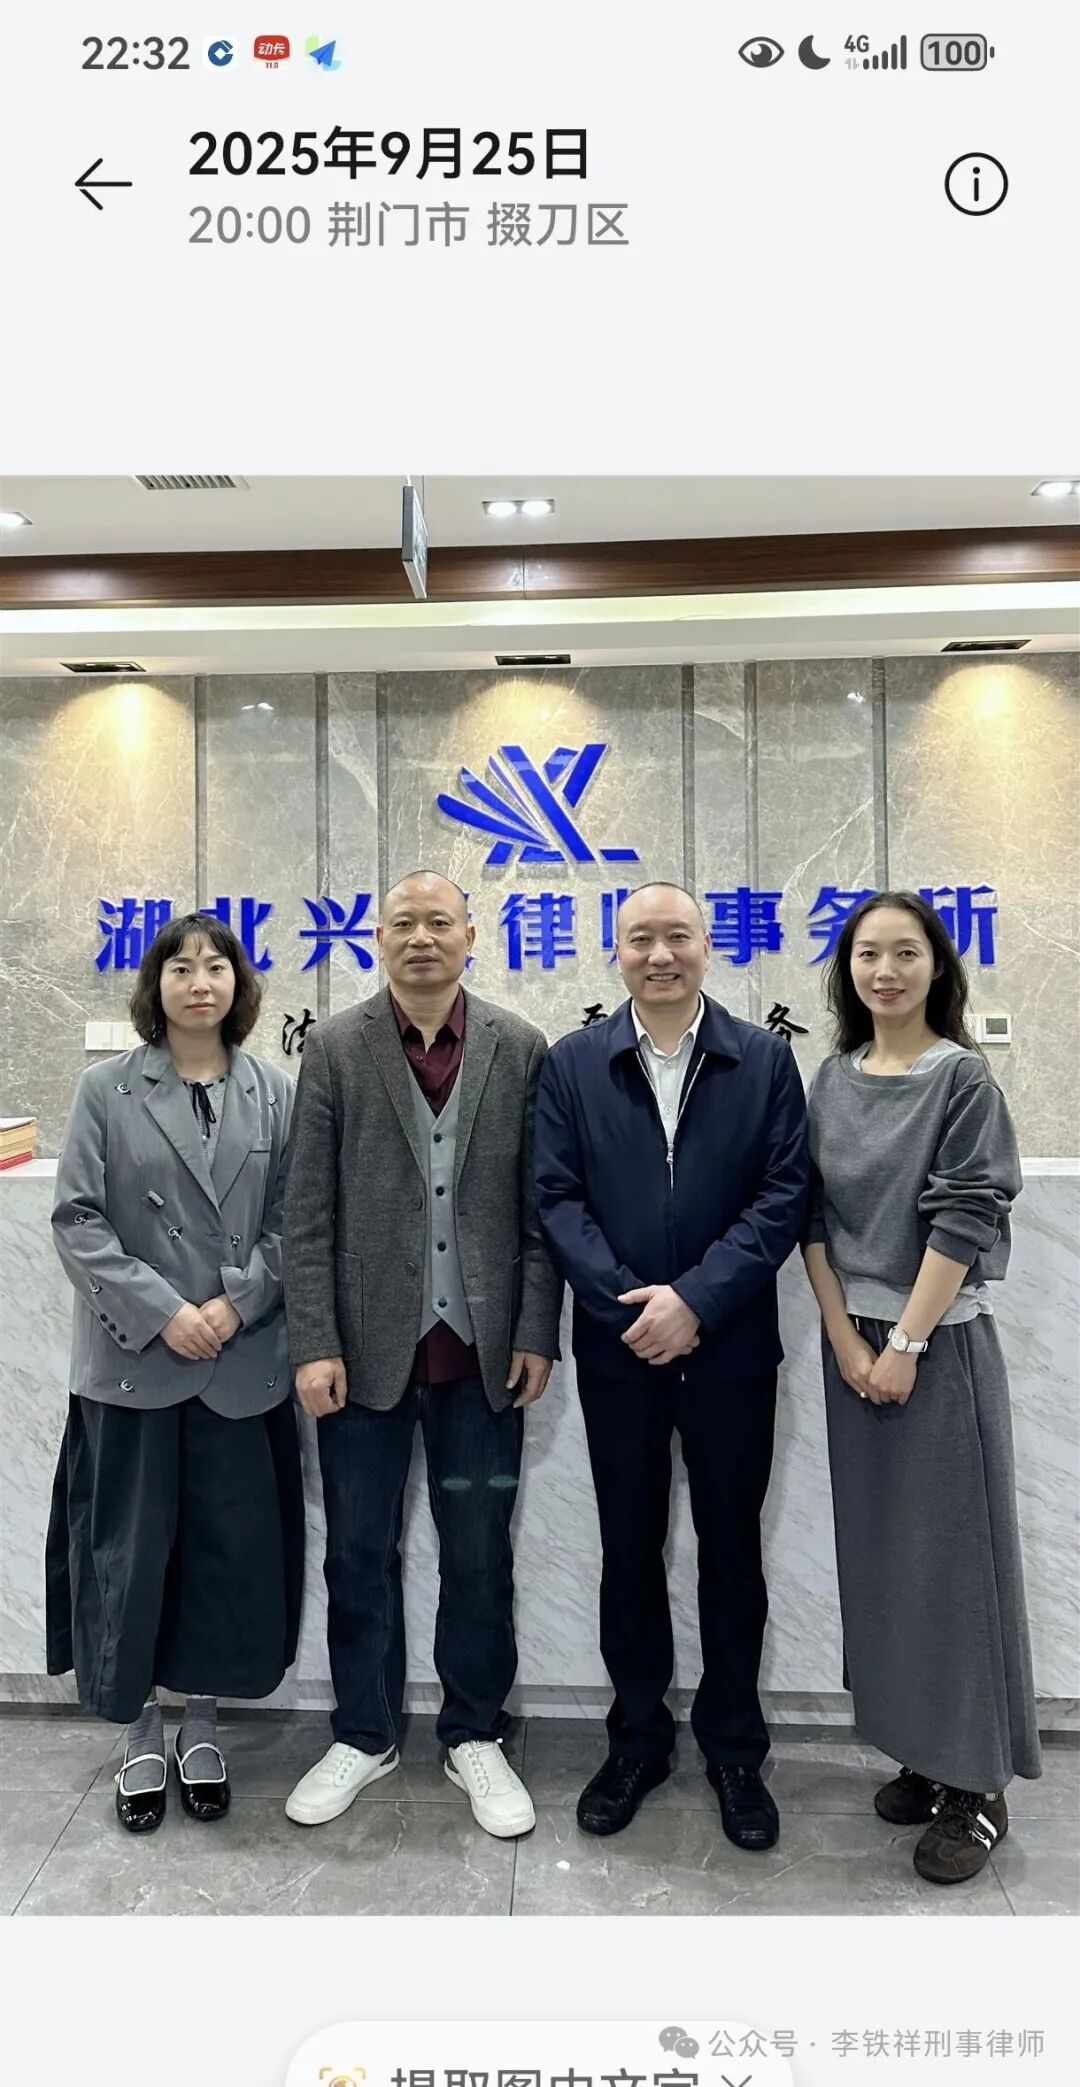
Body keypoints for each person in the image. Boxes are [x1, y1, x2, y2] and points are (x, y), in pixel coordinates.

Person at [281, 871, 562, 1839]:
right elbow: (306, 1214)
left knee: (479, 1550)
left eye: (439, 921)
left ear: (470, 935)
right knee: (359, 1549)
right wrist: (314, 1341)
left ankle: (474, 1731)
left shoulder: (519, 1046)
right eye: (403, 923)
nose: (421, 937)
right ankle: (363, 1732)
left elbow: (539, 1210)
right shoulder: (335, 1046)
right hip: (362, 1355)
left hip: (483, 1357)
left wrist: (535, 1329)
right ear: (379, 940)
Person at [533, 883, 809, 1849]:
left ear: (706, 946)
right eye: (641, 938)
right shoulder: (573, 1063)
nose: (660, 954)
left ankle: (735, 1751)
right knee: (629, 1549)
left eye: (677, 936)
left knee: (732, 1551)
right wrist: (632, 1306)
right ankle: (637, 1741)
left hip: (730, 1350)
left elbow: (783, 1195)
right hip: (621, 1356)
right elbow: (556, 1198)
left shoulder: (762, 1058)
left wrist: (695, 1300)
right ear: (616, 953)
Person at [801, 889, 1041, 1884]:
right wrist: (843, 1338)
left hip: (935, 1349)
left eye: (906, 952)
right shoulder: (832, 1076)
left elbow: (965, 1214)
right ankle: (920, 1748)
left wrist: (902, 1340)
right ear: (847, 969)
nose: (886, 970)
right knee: (883, 1564)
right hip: (852, 1347)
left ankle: (977, 1783)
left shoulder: (962, 1079)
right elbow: (810, 1216)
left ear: (937, 964)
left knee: (953, 1566)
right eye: (868, 953)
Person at [47, 914, 302, 1833]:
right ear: (155, 985)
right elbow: (77, 1218)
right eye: (181, 967)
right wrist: (166, 1312)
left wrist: (235, 1304)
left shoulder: (274, 1091)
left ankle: (202, 1723)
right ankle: (141, 1730)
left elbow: (296, 1220)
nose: (200, 982)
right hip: (136, 1365)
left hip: (240, 1362)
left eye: (217, 966)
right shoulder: (106, 1089)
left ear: (239, 984)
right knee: (133, 1552)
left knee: (226, 1558)